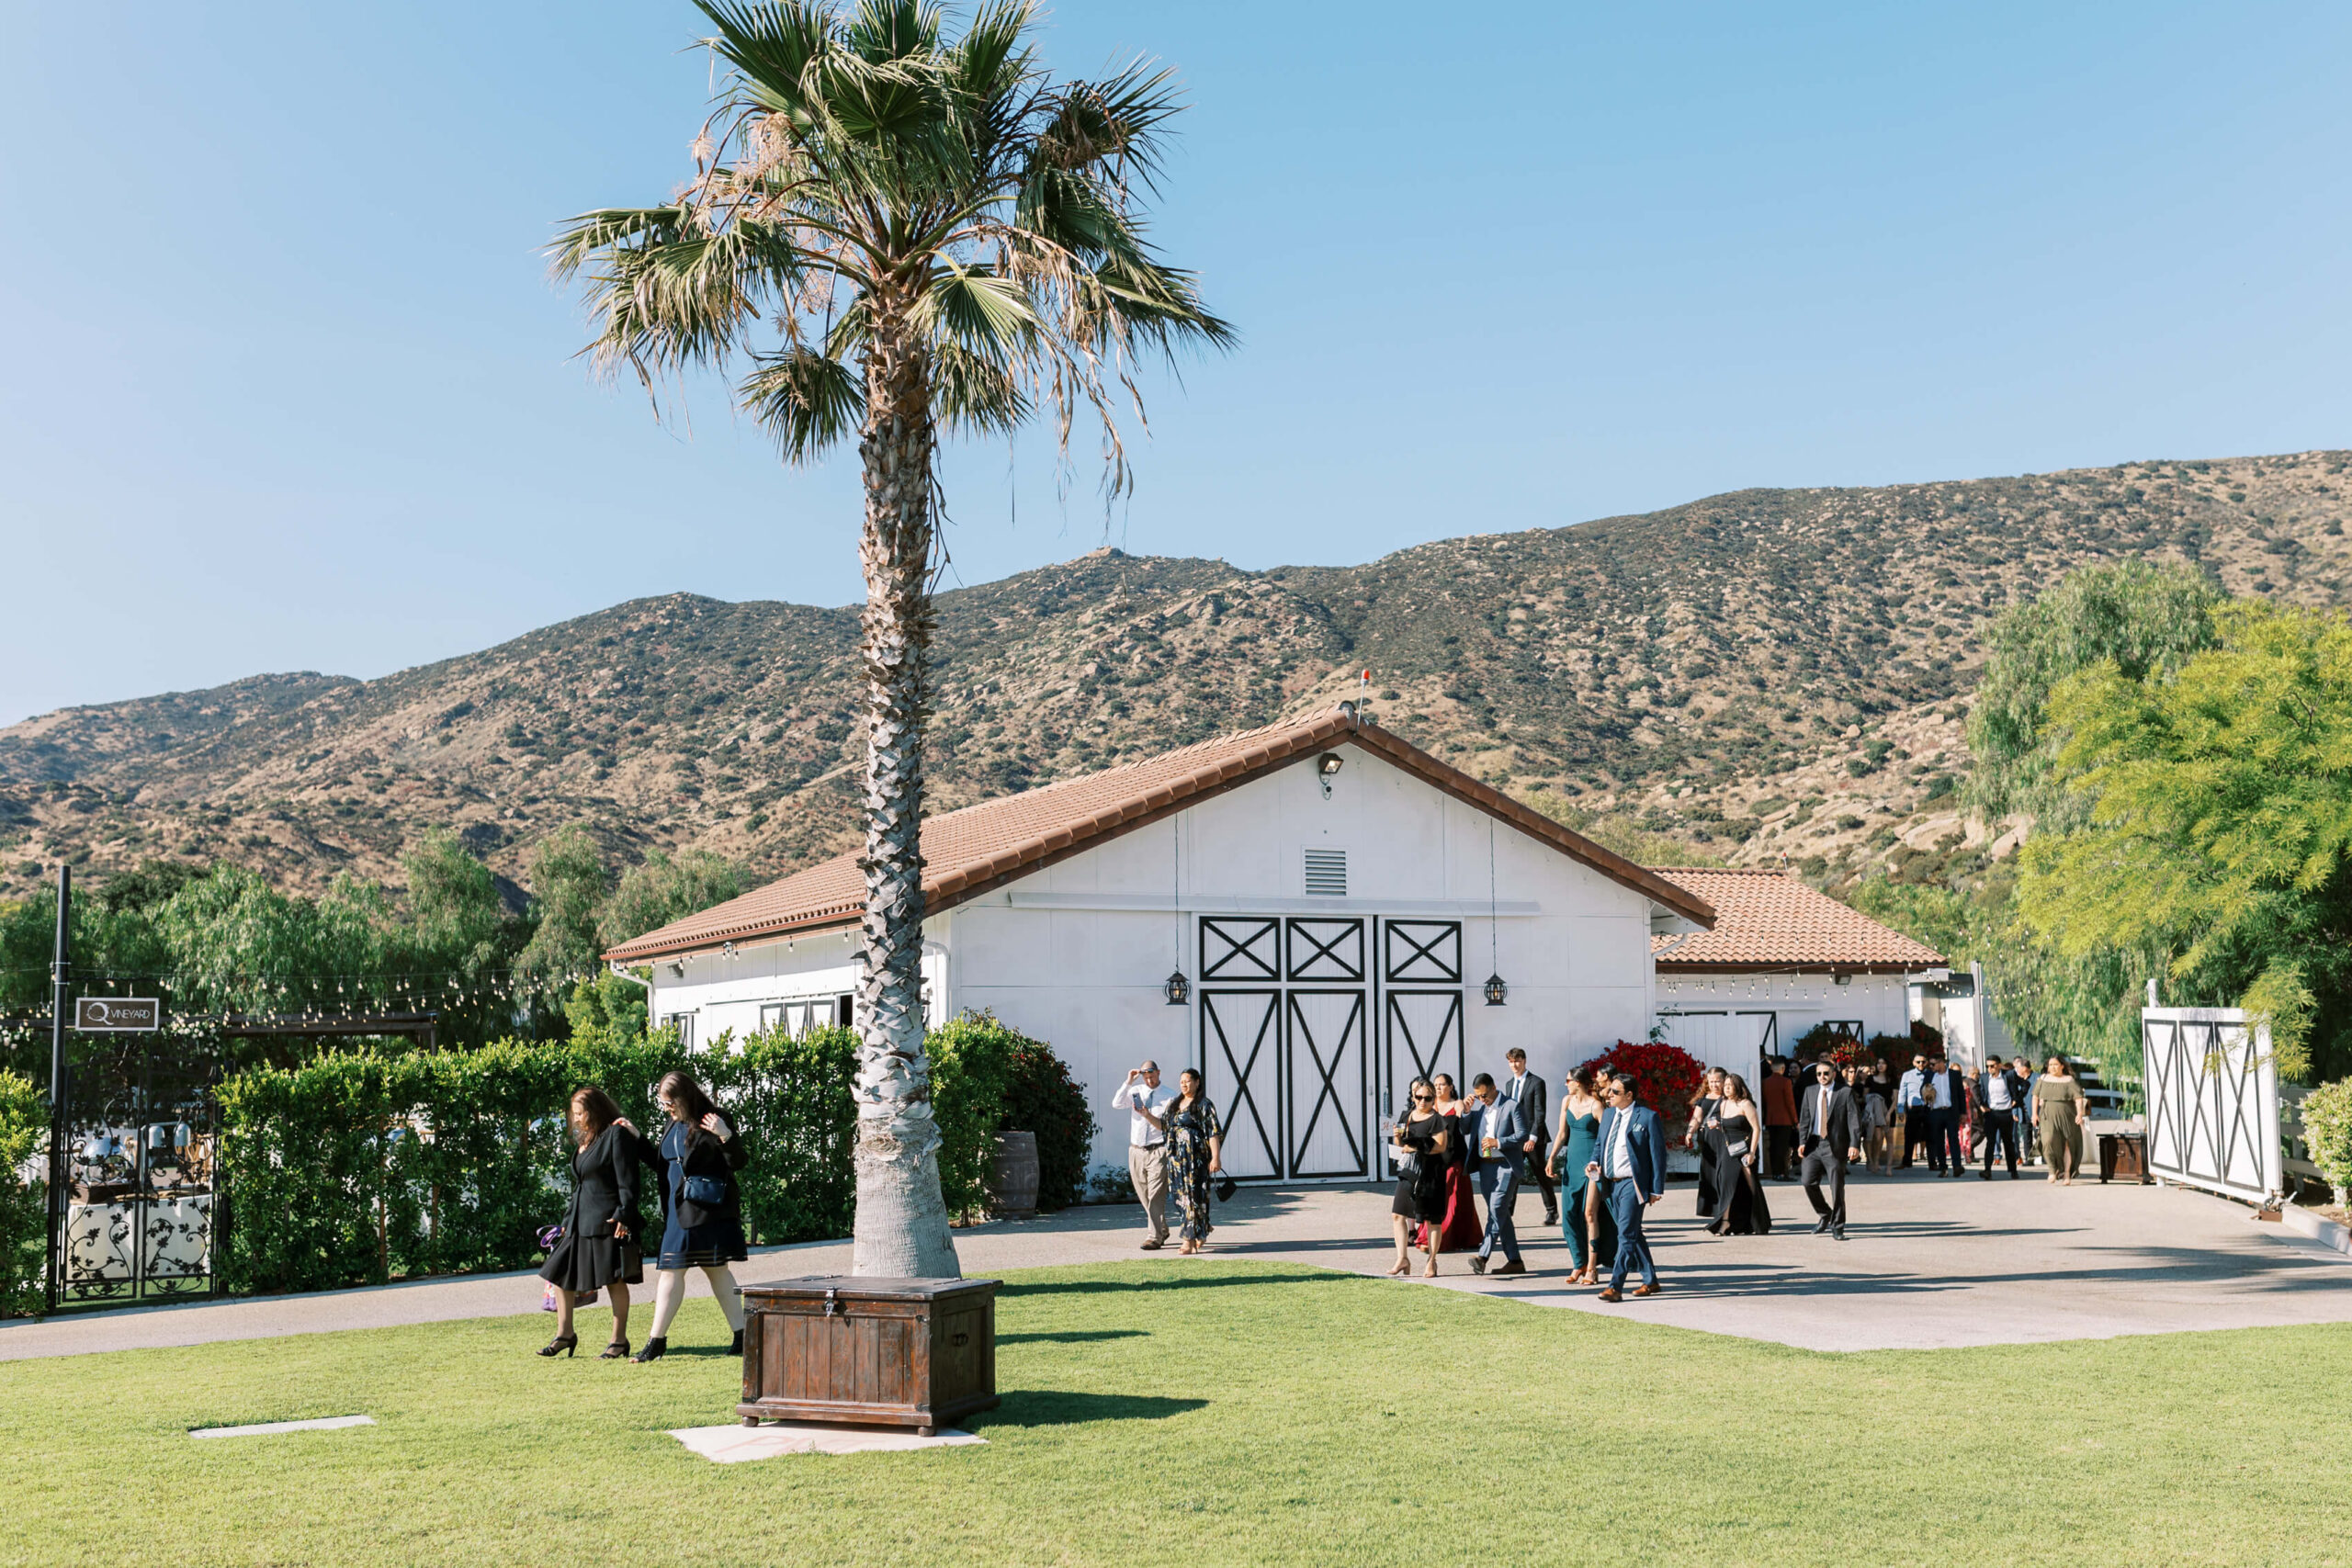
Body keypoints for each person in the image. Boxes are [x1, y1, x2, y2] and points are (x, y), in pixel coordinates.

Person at [634, 1070, 750, 1364]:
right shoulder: (671, 1124)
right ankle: (742, 1335)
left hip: (706, 1210)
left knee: (684, 1270)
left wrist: (725, 1134)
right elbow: (663, 1164)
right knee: (711, 1271)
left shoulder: (715, 1118)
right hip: (678, 1210)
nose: (666, 1108)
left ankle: (656, 1341)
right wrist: (636, 1138)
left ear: (684, 1098)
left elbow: (737, 1162)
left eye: (669, 1102)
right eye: (662, 1104)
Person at [537, 1087, 644, 1359]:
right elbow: (581, 1186)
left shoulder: (615, 1135)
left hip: (607, 1220)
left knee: (613, 1280)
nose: (575, 1119)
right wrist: (565, 1222)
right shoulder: (586, 1139)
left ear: (594, 1110)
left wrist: (624, 1214)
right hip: (578, 1222)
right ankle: (565, 1334)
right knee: (558, 1273)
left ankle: (618, 1341)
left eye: (579, 1113)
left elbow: (628, 1180)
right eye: (573, 1114)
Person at [1587, 1073, 1666, 1302]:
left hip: (1633, 1183)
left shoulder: (1648, 1117)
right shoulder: (1609, 1114)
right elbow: (1600, 1145)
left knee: (1626, 1235)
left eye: (1615, 1092)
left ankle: (1615, 1286)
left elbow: (1657, 1155)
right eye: (1609, 1090)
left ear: (1629, 1095)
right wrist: (1594, 1162)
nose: (1609, 1095)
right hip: (1610, 1185)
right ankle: (1650, 1281)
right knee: (1633, 1233)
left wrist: (1656, 1189)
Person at [1549, 1066, 1615, 1284]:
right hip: (1571, 1165)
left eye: (1568, 1080)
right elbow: (1561, 1134)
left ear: (1578, 1082)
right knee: (1568, 1214)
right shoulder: (1567, 1102)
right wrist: (1551, 1158)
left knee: (1589, 1214)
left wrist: (1601, 1165)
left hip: (1592, 1168)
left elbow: (1607, 1138)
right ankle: (1579, 1263)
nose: (1565, 1083)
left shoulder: (1596, 1106)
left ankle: (1593, 1268)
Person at [1463, 1073, 1529, 1276]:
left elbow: (1522, 1134)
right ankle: (1515, 1260)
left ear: (1493, 1088)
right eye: (1478, 1096)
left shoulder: (1511, 1106)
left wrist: (1498, 1142)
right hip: (1486, 1167)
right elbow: (1464, 1129)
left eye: (1484, 1095)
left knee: (1497, 1207)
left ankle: (1482, 1256)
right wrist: (1466, 1112)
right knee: (1500, 1213)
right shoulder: (1481, 1110)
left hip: (1506, 1166)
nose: (1482, 1100)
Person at [1105, 1060, 1177, 1249]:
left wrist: (1147, 1115)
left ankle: (1154, 1237)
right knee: (1143, 1194)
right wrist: (1128, 1081)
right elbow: (1116, 1103)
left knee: (1155, 1195)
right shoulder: (1136, 1091)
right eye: (1146, 1077)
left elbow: (1166, 1126)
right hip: (1136, 1150)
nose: (1149, 1080)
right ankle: (1161, 1227)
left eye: (1152, 1077)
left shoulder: (1170, 1096)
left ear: (1159, 1073)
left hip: (1158, 1150)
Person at [1386, 1079, 1451, 1277]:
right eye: (1419, 1097)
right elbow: (1399, 1143)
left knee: (1432, 1220)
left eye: (1428, 1098)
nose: (1423, 1101)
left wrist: (1414, 1147)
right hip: (1409, 1170)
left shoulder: (1437, 1120)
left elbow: (1440, 1146)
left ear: (1433, 1099)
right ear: (1413, 1097)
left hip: (1430, 1173)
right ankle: (1402, 1258)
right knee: (1398, 1215)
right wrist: (1397, 1136)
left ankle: (1432, 1260)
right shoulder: (1406, 1115)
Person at [1158, 1069, 1225, 1253]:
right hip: (1177, 1161)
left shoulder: (1204, 1104)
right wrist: (1146, 1114)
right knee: (1180, 1199)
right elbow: (1164, 1126)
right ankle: (1201, 1230)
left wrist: (1215, 1157)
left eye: (1188, 1081)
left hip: (1196, 1160)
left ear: (1197, 1082)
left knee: (1194, 1197)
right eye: (1181, 1081)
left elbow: (1213, 1132)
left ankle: (1188, 1240)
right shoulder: (1175, 1104)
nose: (1184, 1084)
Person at [1796, 1062, 1864, 1240]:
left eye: (1826, 1073)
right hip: (1814, 1145)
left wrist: (1854, 1144)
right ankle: (1826, 1214)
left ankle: (1838, 1226)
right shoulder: (1810, 1091)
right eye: (1819, 1074)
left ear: (1833, 1073)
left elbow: (1854, 1120)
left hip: (1835, 1146)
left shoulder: (1844, 1092)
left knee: (1836, 1187)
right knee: (1807, 1182)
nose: (1822, 1077)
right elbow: (1804, 1119)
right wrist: (1802, 1141)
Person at [1419, 1073, 1484, 1253]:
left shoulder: (1457, 1104)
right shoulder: (1430, 1105)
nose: (1438, 1088)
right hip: (1434, 1159)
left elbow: (1463, 1128)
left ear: (1450, 1087)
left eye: (1442, 1085)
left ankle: (1444, 1239)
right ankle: (1429, 1236)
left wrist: (1466, 1111)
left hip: (1453, 1157)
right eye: (1436, 1085)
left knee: (1451, 1197)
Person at [1705, 1072, 1772, 1235]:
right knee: (1727, 1186)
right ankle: (1725, 1222)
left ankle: (1759, 1221)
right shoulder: (1723, 1104)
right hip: (1728, 1151)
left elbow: (1756, 1128)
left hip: (1744, 1150)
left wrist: (1752, 1152)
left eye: (1729, 1086)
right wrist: (1717, 1125)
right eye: (1725, 1086)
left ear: (1737, 1086)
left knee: (1751, 1186)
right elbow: (1727, 1127)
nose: (1726, 1089)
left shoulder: (1746, 1104)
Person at [1502, 1048, 1556, 1226]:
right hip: (1516, 1137)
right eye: (1511, 1061)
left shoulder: (1536, 1082)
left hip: (1534, 1137)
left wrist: (1532, 1137)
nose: (1514, 1065)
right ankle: (1508, 1212)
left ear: (1524, 1061)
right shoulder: (1509, 1084)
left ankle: (1552, 1211)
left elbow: (1540, 1112)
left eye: (1517, 1061)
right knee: (1513, 1175)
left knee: (1540, 1174)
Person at [2035, 1055, 2089, 1183]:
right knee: (2048, 1141)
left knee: (2067, 1146)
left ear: (2062, 1066)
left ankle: (2067, 1175)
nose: (2052, 1067)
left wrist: (2079, 1114)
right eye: (2050, 1065)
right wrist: (2034, 1115)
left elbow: (2078, 1098)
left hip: (2067, 1116)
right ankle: (2052, 1170)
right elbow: (2035, 1097)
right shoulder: (2043, 1079)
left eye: (2055, 1064)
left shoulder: (2068, 1080)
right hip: (2048, 1115)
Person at [1978, 1055, 2026, 1179]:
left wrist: (2017, 1099)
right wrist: (1981, 1105)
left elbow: (2025, 1084)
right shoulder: (1984, 1078)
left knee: (2008, 1143)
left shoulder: (2008, 1075)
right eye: (1987, 1066)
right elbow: (1980, 1092)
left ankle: (2013, 1170)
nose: (1990, 1069)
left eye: (1992, 1066)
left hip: (2006, 1113)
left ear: (1999, 1065)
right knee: (1990, 1142)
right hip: (1991, 1113)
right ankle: (1987, 1170)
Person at [1687, 1066, 1726, 1216]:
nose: (1714, 1085)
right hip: (1708, 1142)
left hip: (1724, 1139)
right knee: (1709, 1174)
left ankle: (1725, 1209)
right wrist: (1690, 1131)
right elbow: (1696, 1118)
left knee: (1723, 1175)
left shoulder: (1729, 1097)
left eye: (1718, 1081)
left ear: (1724, 1081)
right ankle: (1712, 1209)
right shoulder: (1703, 1099)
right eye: (1711, 1082)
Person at [1927, 1054, 1967, 1176]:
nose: (1931, 1067)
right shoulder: (1929, 1075)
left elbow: (1961, 1094)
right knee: (1939, 1141)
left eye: (1933, 1064)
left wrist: (1963, 1112)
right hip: (1936, 1111)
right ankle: (1943, 1167)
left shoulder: (1954, 1075)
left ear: (1941, 1062)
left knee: (1953, 1138)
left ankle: (1957, 1166)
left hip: (1950, 1111)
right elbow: (1922, 1090)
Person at [1761, 1059, 1798, 1179]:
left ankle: (1775, 1172)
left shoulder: (1765, 1082)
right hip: (1784, 1119)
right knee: (1782, 1148)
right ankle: (1782, 1173)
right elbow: (1790, 1103)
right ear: (1783, 1069)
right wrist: (1795, 1120)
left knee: (1773, 1147)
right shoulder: (1786, 1082)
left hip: (1770, 1119)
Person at [1897, 1051, 1931, 1168]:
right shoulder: (1907, 1075)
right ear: (1913, 1063)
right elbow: (1902, 1093)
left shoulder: (1930, 1074)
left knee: (1930, 1136)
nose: (1921, 1064)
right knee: (1909, 1136)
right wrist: (1900, 1109)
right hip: (1913, 1109)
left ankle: (1932, 1162)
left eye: (1923, 1061)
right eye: (1918, 1062)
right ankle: (1907, 1161)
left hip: (1927, 1107)